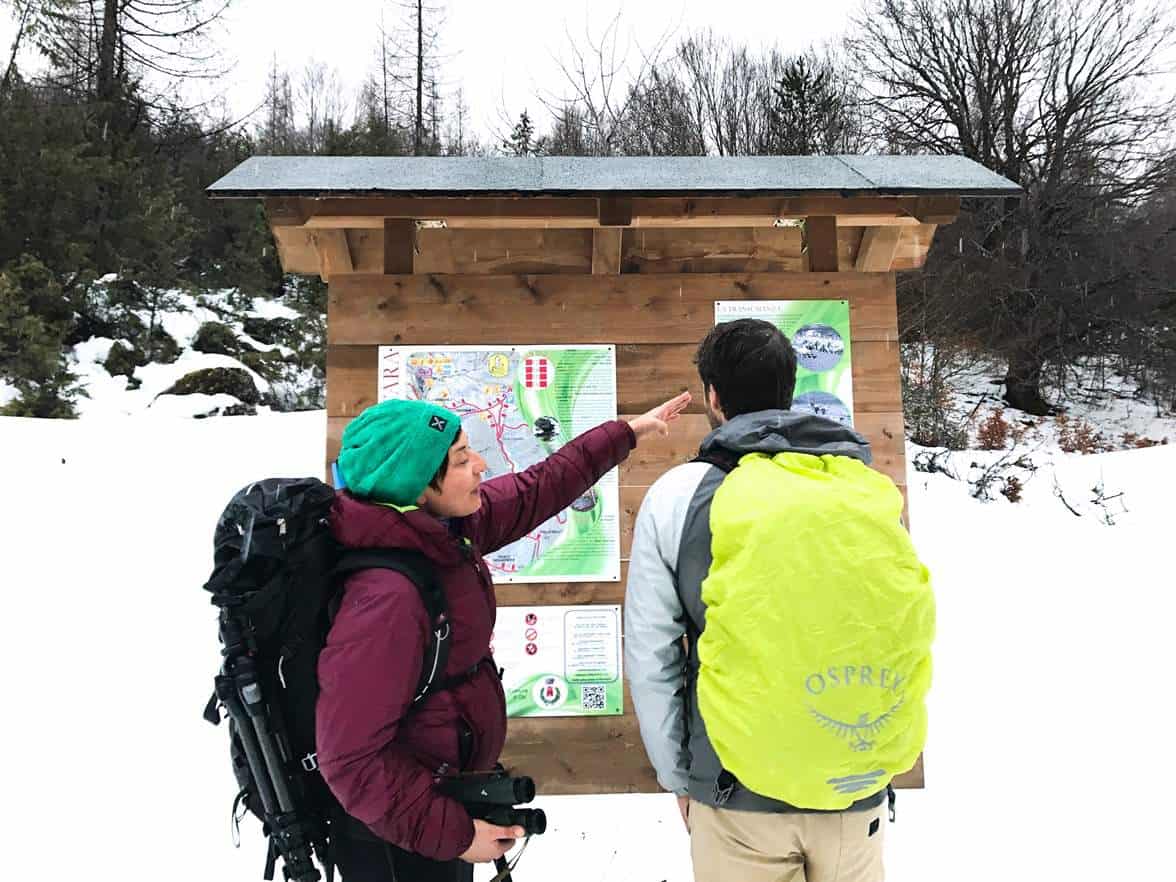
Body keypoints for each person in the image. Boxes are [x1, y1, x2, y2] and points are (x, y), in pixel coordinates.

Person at [317, 390, 691, 881]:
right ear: (415, 483)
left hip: (439, 801)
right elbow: (351, 760)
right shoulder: (386, 599)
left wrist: (625, 433)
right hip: (398, 832)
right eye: (460, 458)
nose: (480, 465)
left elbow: (539, 487)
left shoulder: (441, 531)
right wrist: (455, 834)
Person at [624, 319, 933, 882]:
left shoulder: (680, 494)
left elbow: (652, 655)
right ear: (789, 389)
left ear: (714, 397)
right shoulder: (860, 486)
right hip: (853, 787)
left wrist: (681, 778)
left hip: (735, 793)